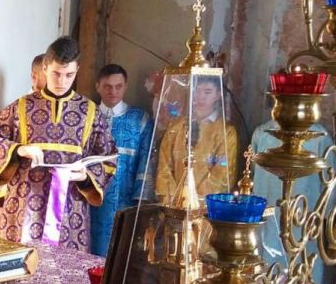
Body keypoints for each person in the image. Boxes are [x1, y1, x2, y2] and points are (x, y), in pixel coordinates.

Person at [0, 36, 117, 251]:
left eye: (69, 75)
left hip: (70, 209)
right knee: (20, 263)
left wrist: (85, 176)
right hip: (24, 206)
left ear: (77, 69)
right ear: (44, 68)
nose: (62, 81)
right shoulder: (21, 107)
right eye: (56, 73)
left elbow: (109, 156)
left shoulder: (90, 112)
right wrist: (18, 149)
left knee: (65, 266)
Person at [88, 64, 154, 256]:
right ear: (98, 86)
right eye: (107, 86)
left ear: (126, 86)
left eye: (118, 86)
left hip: (124, 200)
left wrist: (141, 199)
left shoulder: (140, 119)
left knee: (120, 252)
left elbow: (146, 160)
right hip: (90, 197)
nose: (113, 91)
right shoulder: (87, 116)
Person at [154, 74, 238, 202]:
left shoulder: (226, 132)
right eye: (196, 91)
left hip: (205, 205)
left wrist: (196, 200)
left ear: (217, 95)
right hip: (174, 203)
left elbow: (222, 173)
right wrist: (174, 199)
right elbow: (164, 166)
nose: (200, 97)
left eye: (207, 92)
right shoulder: (176, 127)